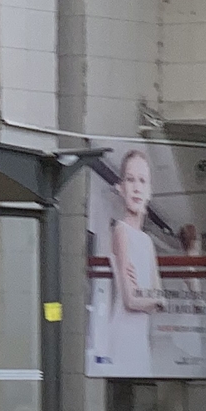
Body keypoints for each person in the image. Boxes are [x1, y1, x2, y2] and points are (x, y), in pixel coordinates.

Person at [88, 150, 167, 376]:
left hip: (140, 339)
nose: (136, 187)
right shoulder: (121, 231)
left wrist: (152, 297)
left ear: (149, 191)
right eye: (130, 179)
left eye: (142, 181)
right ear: (121, 187)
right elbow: (132, 299)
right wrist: (155, 299)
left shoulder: (147, 241)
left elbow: (157, 293)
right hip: (122, 336)